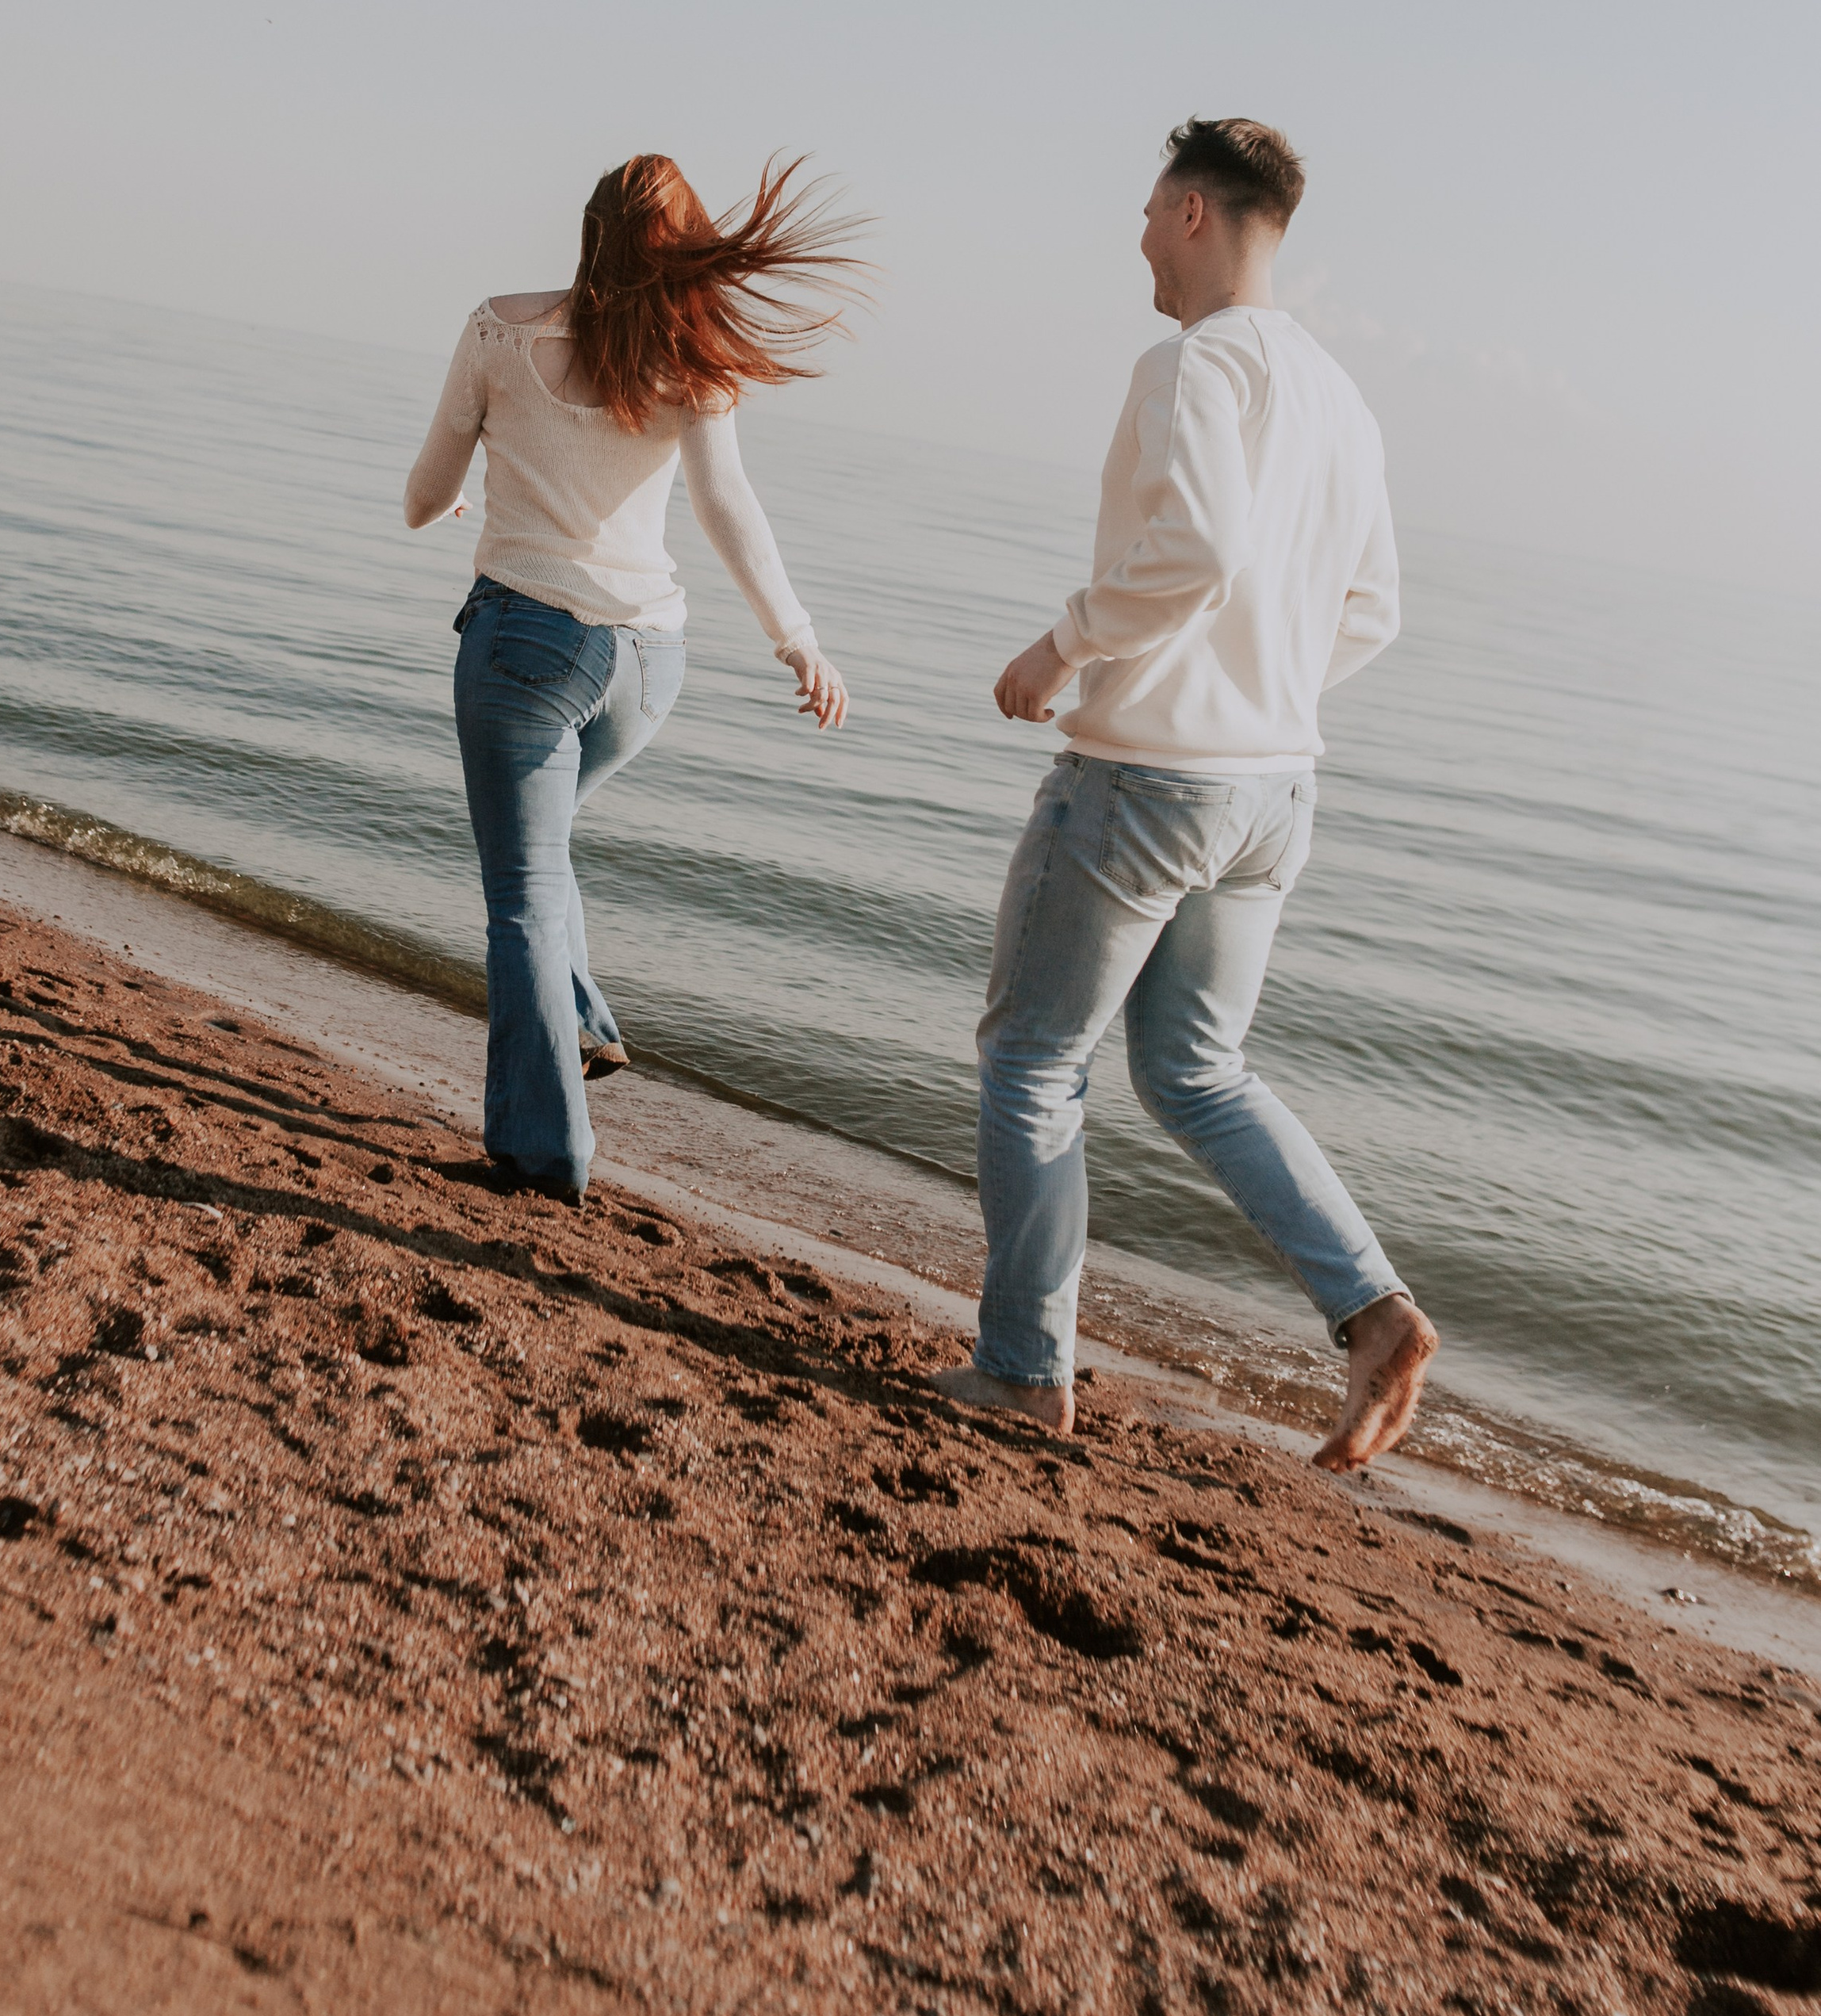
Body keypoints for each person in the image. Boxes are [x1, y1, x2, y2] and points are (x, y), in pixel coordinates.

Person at [933, 117, 1437, 1471]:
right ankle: (1374, 1308)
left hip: (1150, 779)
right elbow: (1374, 607)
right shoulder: (1340, 394)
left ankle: (1025, 1371)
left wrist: (1067, 643)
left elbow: (1200, 546)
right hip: (1275, 789)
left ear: (1198, 211)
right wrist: (1263, 685)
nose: (1142, 237)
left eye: (1153, 210)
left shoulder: (1193, 362)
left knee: (1034, 1060)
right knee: (1196, 1068)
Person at [404, 153, 861, 1208]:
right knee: (541, 852)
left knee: (518, 898)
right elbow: (727, 506)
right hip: (650, 667)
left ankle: (543, 1156)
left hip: (526, 647)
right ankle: (589, 1026)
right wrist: (799, 640)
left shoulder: (497, 331)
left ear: (586, 232)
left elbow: (425, 492)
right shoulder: (695, 363)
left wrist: (454, 502)